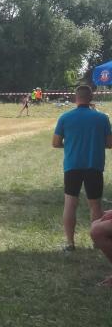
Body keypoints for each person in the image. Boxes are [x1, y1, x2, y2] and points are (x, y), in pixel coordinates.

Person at [52, 85, 112, 252]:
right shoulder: (102, 118)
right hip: (94, 165)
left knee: (70, 204)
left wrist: (70, 144)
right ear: (91, 98)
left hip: (72, 166)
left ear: (75, 98)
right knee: (95, 205)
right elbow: (109, 143)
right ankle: (97, 242)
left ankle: (70, 243)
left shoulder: (65, 117)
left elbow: (55, 143)